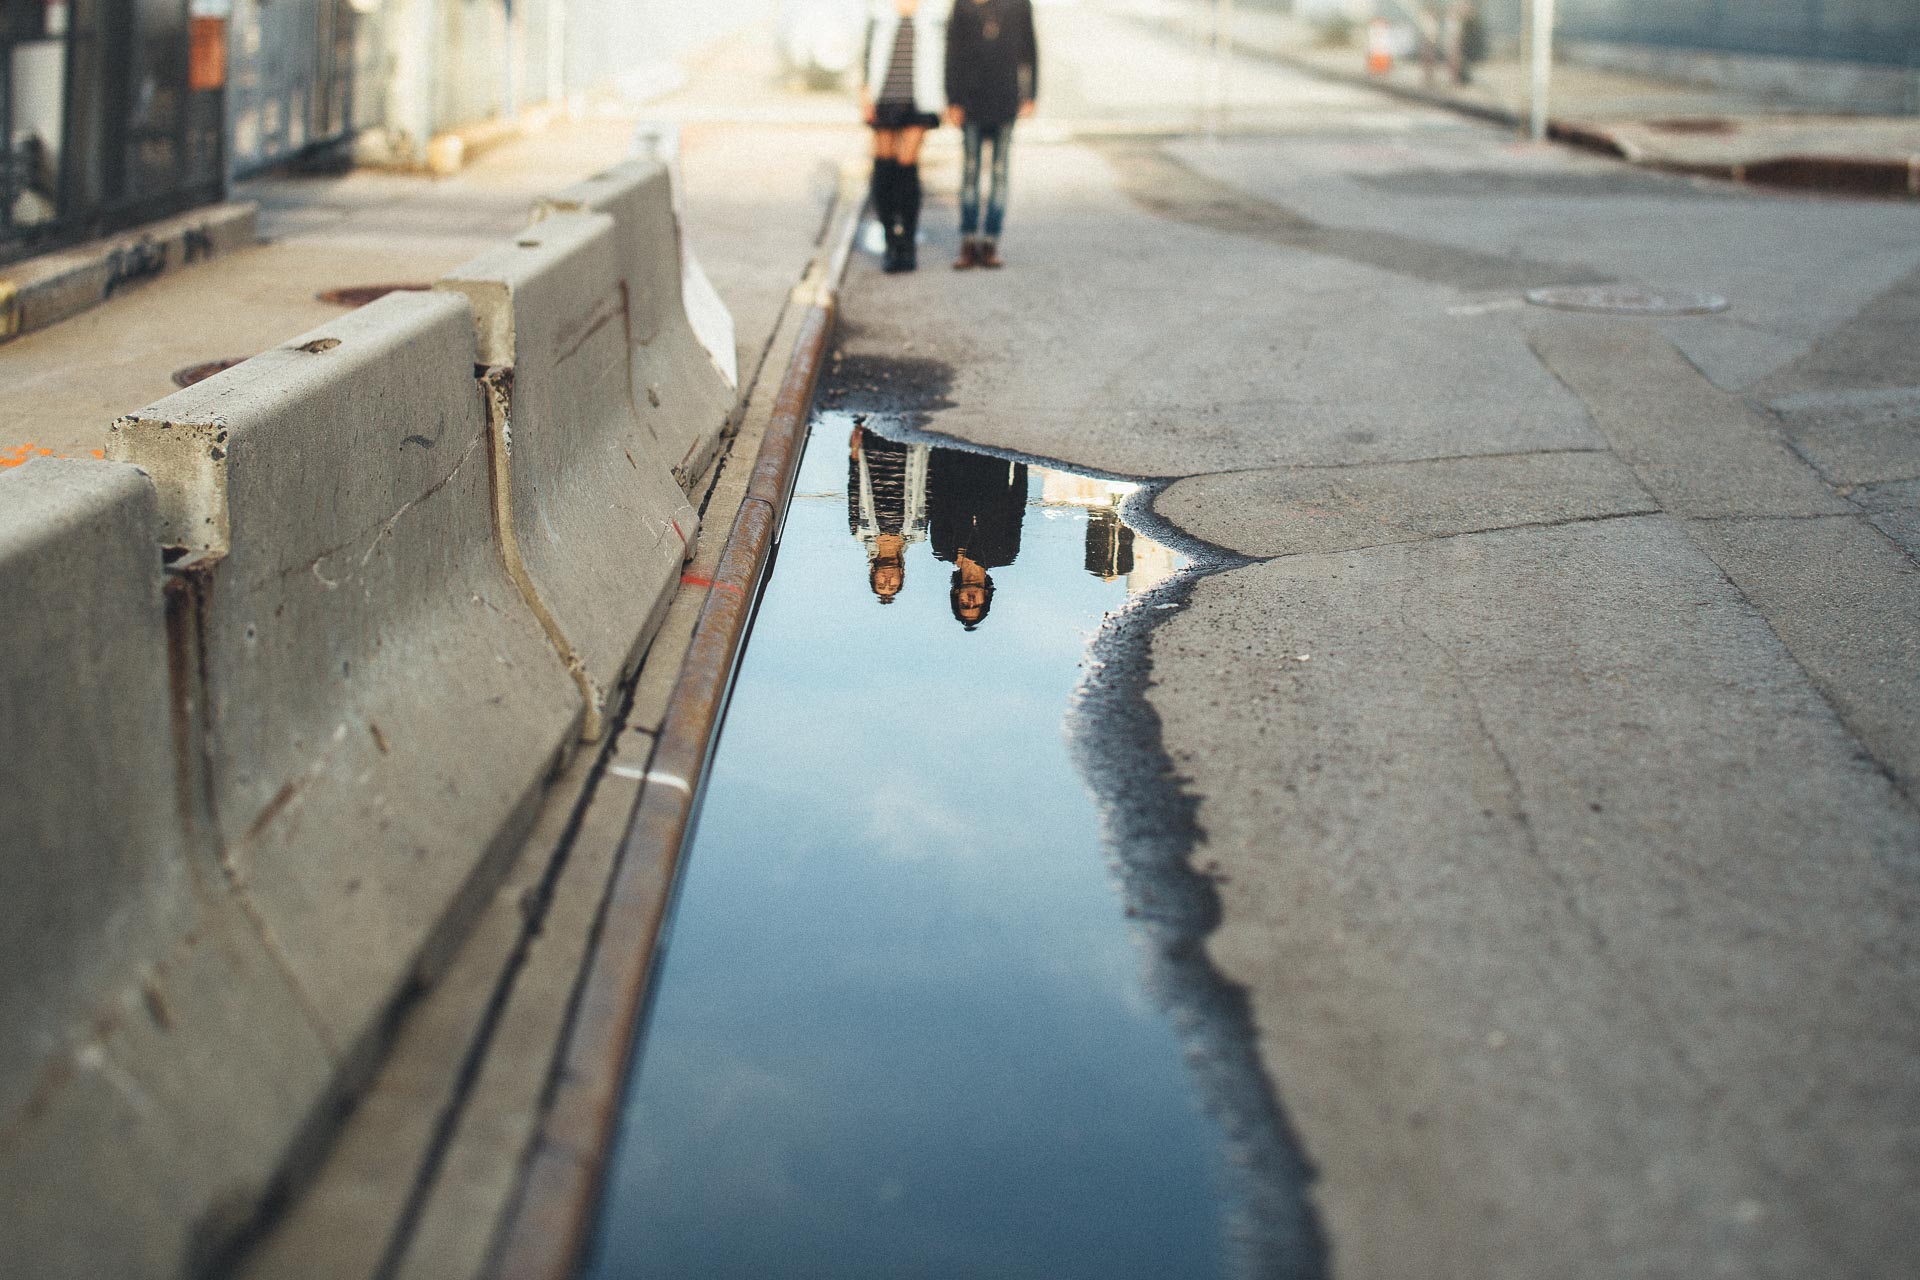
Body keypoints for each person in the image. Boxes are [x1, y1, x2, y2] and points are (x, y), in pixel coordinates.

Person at [944, 0, 1038, 270]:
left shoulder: (1019, 4)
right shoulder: (964, 4)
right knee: (970, 170)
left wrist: (1031, 94)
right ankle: (969, 240)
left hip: (1005, 98)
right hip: (971, 100)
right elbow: (953, 52)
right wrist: (952, 99)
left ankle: (990, 241)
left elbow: (1030, 51)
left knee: (999, 171)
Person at [861, 0, 947, 273]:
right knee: (884, 167)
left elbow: (946, 57)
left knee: (906, 166)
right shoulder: (880, 13)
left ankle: (907, 242)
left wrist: (945, 98)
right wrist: (865, 90)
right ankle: (890, 240)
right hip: (884, 96)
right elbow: (867, 52)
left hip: (919, 99)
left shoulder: (933, 15)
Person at [928, 446, 1027, 630]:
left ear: (956, 595)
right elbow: (1016, 510)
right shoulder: (1005, 555)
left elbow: (938, 499)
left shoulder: (942, 548)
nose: (971, 601)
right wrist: (1022, 463)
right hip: (995, 466)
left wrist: (937, 450)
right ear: (986, 598)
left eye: (965, 604)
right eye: (977, 605)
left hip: (956, 462)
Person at [848, 422, 931, 603]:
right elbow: (927, 493)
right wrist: (928, 455)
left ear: (873, 573)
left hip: (873, 459)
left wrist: (854, 454)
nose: (887, 581)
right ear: (902, 574)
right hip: (908, 459)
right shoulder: (917, 533)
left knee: (878, 418)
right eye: (892, 585)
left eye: (881, 584)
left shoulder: (861, 532)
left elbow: (854, 492)